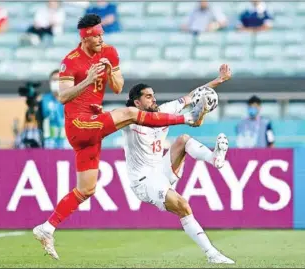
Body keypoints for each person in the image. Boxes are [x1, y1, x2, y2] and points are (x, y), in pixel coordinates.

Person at [32, 13, 210, 260]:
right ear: (86, 37)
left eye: (102, 34)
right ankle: (188, 119)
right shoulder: (70, 61)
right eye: (97, 36)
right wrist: (89, 80)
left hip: (94, 127)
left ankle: (47, 227)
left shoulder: (109, 52)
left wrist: (110, 71)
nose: (102, 39)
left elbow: (117, 87)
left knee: (86, 189)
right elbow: (62, 97)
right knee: (130, 113)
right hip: (79, 124)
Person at [122, 65, 234, 265]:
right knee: (183, 206)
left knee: (182, 139)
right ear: (137, 102)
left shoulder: (163, 110)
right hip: (144, 181)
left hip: (161, 170)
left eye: (153, 95)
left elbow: (193, 95)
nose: (154, 99)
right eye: (148, 96)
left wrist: (219, 80)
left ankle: (214, 159)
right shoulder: (131, 119)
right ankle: (212, 253)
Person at [40, 70, 70, 149]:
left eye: (59, 80)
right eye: (54, 80)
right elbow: (43, 115)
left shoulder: (69, 98)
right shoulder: (44, 99)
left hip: (65, 139)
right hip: (50, 139)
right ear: (50, 82)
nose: (56, 82)